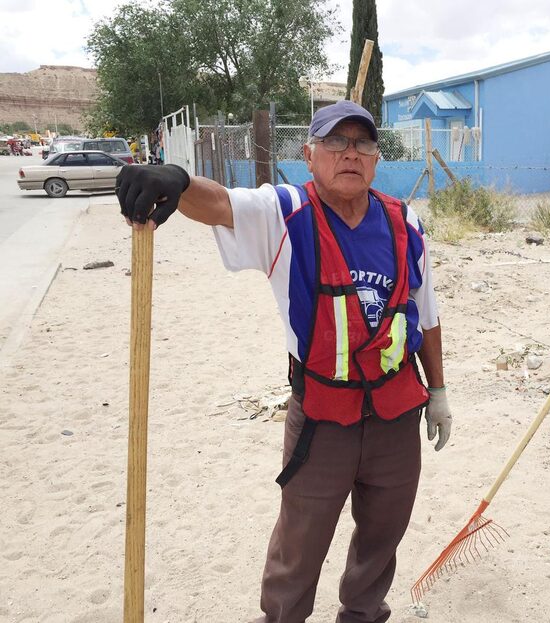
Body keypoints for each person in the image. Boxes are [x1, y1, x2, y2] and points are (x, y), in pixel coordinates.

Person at [115, 100, 453, 623]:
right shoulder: (285, 212)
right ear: (309, 153)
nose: (350, 154)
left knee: (383, 538)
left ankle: (362, 615)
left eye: (362, 143)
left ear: (377, 157)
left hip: (394, 415)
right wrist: (178, 181)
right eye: (335, 142)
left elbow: (426, 313)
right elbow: (223, 204)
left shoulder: (403, 221)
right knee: (298, 548)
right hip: (322, 420)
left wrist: (439, 391)